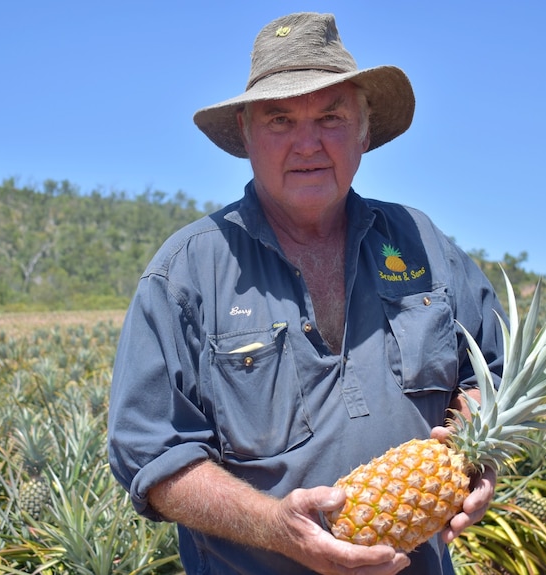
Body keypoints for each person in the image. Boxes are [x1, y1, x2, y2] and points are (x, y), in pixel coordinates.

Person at [108, 12, 504, 575]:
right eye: (279, 119)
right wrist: (274, 528)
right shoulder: (187, 273)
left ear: (364, 130)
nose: (308, 143)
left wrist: (478, 453)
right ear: (245, 134)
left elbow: (491, 373)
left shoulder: (421, 243)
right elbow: (152, 454)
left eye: (331, 116)